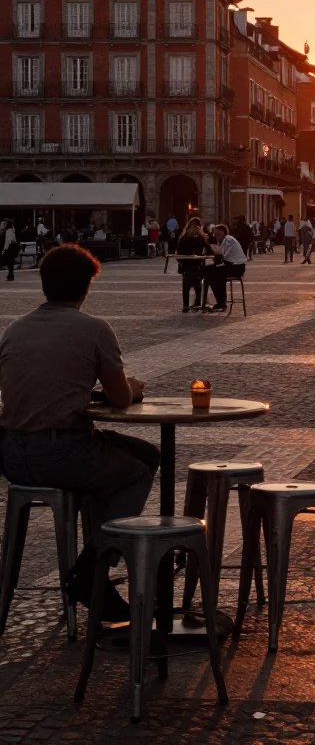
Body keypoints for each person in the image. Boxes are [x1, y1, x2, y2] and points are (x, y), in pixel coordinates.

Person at [0, 244, 158, 621]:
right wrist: (134, 386)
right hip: (63, 452)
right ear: (87, 287)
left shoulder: (14, 329)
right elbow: (120, 398)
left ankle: (95, 558)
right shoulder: (94, 329)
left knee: (144, 453)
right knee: (139, 468)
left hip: (12, 454)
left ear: (44, 284)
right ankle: (94, 566)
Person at [201, 223, 247, 312]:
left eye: (217, 234)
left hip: (236, 267)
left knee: (212, 274)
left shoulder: (228, 239)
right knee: (210, 272)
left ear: (222, 233)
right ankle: (219, 301)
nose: (216, 236)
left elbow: (224, 256)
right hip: (233, 266)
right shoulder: (225, 241)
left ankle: (220, 303)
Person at [177, 216, 210, 311]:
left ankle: (197, 303)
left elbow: (208, 245)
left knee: (197, 284)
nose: (194, 229)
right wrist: (181, 261)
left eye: (197, 227)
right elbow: (179, 252)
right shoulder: (184, 238)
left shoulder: (200, 238)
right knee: (187, 283)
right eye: (193, 226)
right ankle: (186, 305)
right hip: (187, 265)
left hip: (198, 264)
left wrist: (202, 234)